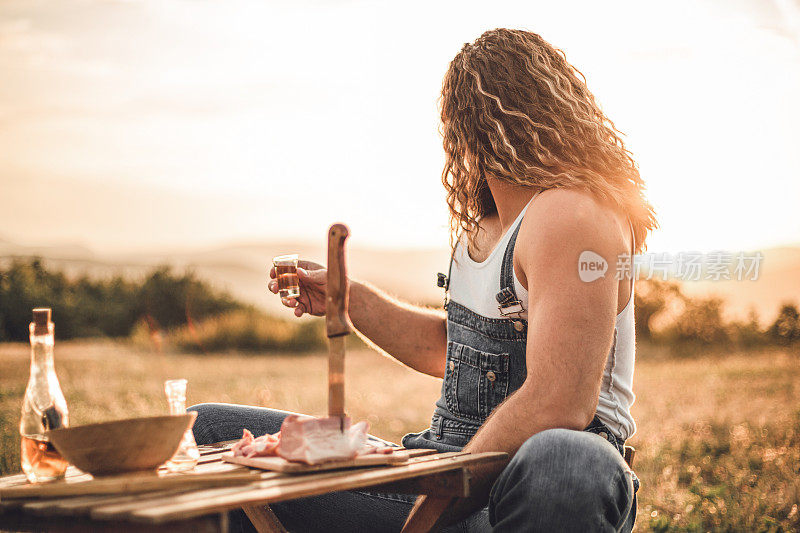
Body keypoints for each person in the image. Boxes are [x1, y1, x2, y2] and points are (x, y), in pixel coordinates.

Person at [190, 28, 656, 532]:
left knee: (566, 459)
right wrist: (349, 300)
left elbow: (559, 402)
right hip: (441, 478)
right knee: (202, 429)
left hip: (514, 494)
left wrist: (432, 505)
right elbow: (455, 351)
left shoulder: (572, 213)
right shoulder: (483, 230)